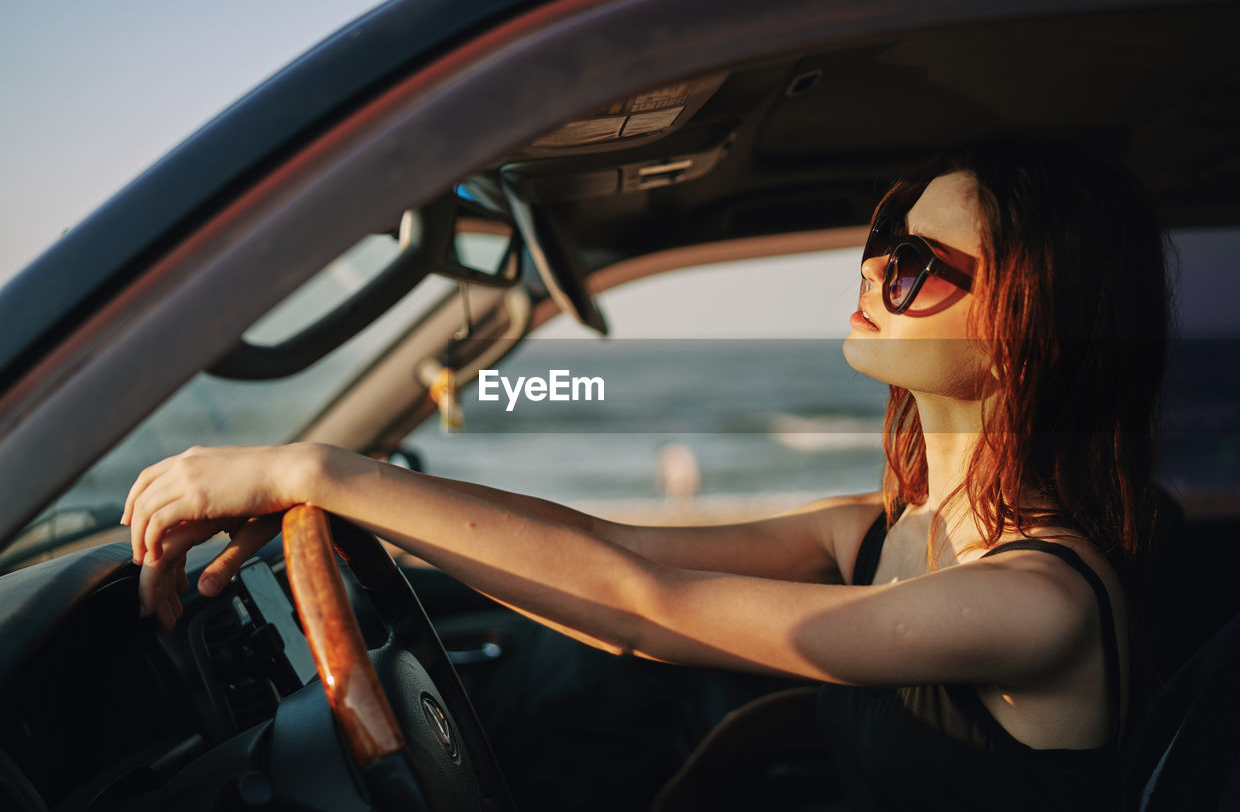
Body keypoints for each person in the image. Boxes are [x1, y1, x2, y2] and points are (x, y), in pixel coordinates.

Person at [124, 138, 1170, 810]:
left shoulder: (1034, 604)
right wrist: (360, 507)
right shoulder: (879, 531)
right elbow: (615, 555)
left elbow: (643, 604)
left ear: (1032, 328)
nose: (868, 272)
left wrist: (312, 464)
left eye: (914, 267)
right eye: (879, 244)